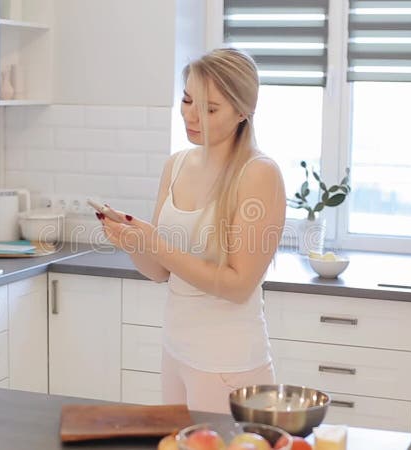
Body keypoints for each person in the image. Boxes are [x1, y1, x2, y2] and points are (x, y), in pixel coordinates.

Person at [99, 48, 286, 414]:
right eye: (186, 100)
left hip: (227, 365)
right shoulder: (176, 165)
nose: (190, 115)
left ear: (243, 111)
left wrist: (155, 242)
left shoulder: (258, 173)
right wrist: (133, 242)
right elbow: (160, 272)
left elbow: (237, 285)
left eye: (210, 108)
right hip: (176, 353)